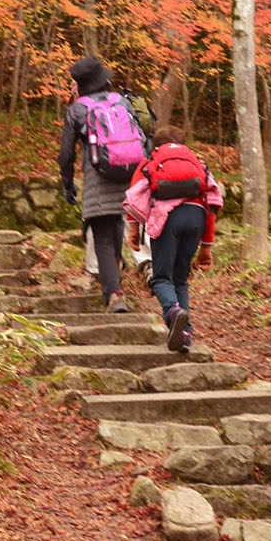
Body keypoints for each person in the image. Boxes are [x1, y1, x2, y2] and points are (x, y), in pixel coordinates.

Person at [58, 57, 149, 312]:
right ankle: (115, 283)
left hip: (98, 178)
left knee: (102, 239)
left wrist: (67, 184)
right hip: (128, 175)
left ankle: (115, 294)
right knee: (116, 227)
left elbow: (66, 154)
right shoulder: (121, 101)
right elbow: (142, 137)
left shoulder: (77, 109)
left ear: (80, 84)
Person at [122, 127, 223, 352]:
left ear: (156, 145)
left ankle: (172, 311)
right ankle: (185, 334)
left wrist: (134, 230)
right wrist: (207, 247)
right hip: (197, 217)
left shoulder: (150, 161)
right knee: (181, 279)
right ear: (183, 144)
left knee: (161, 278)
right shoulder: (199, 164)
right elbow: (212, 204)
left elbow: (134, 196)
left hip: (167, 218)